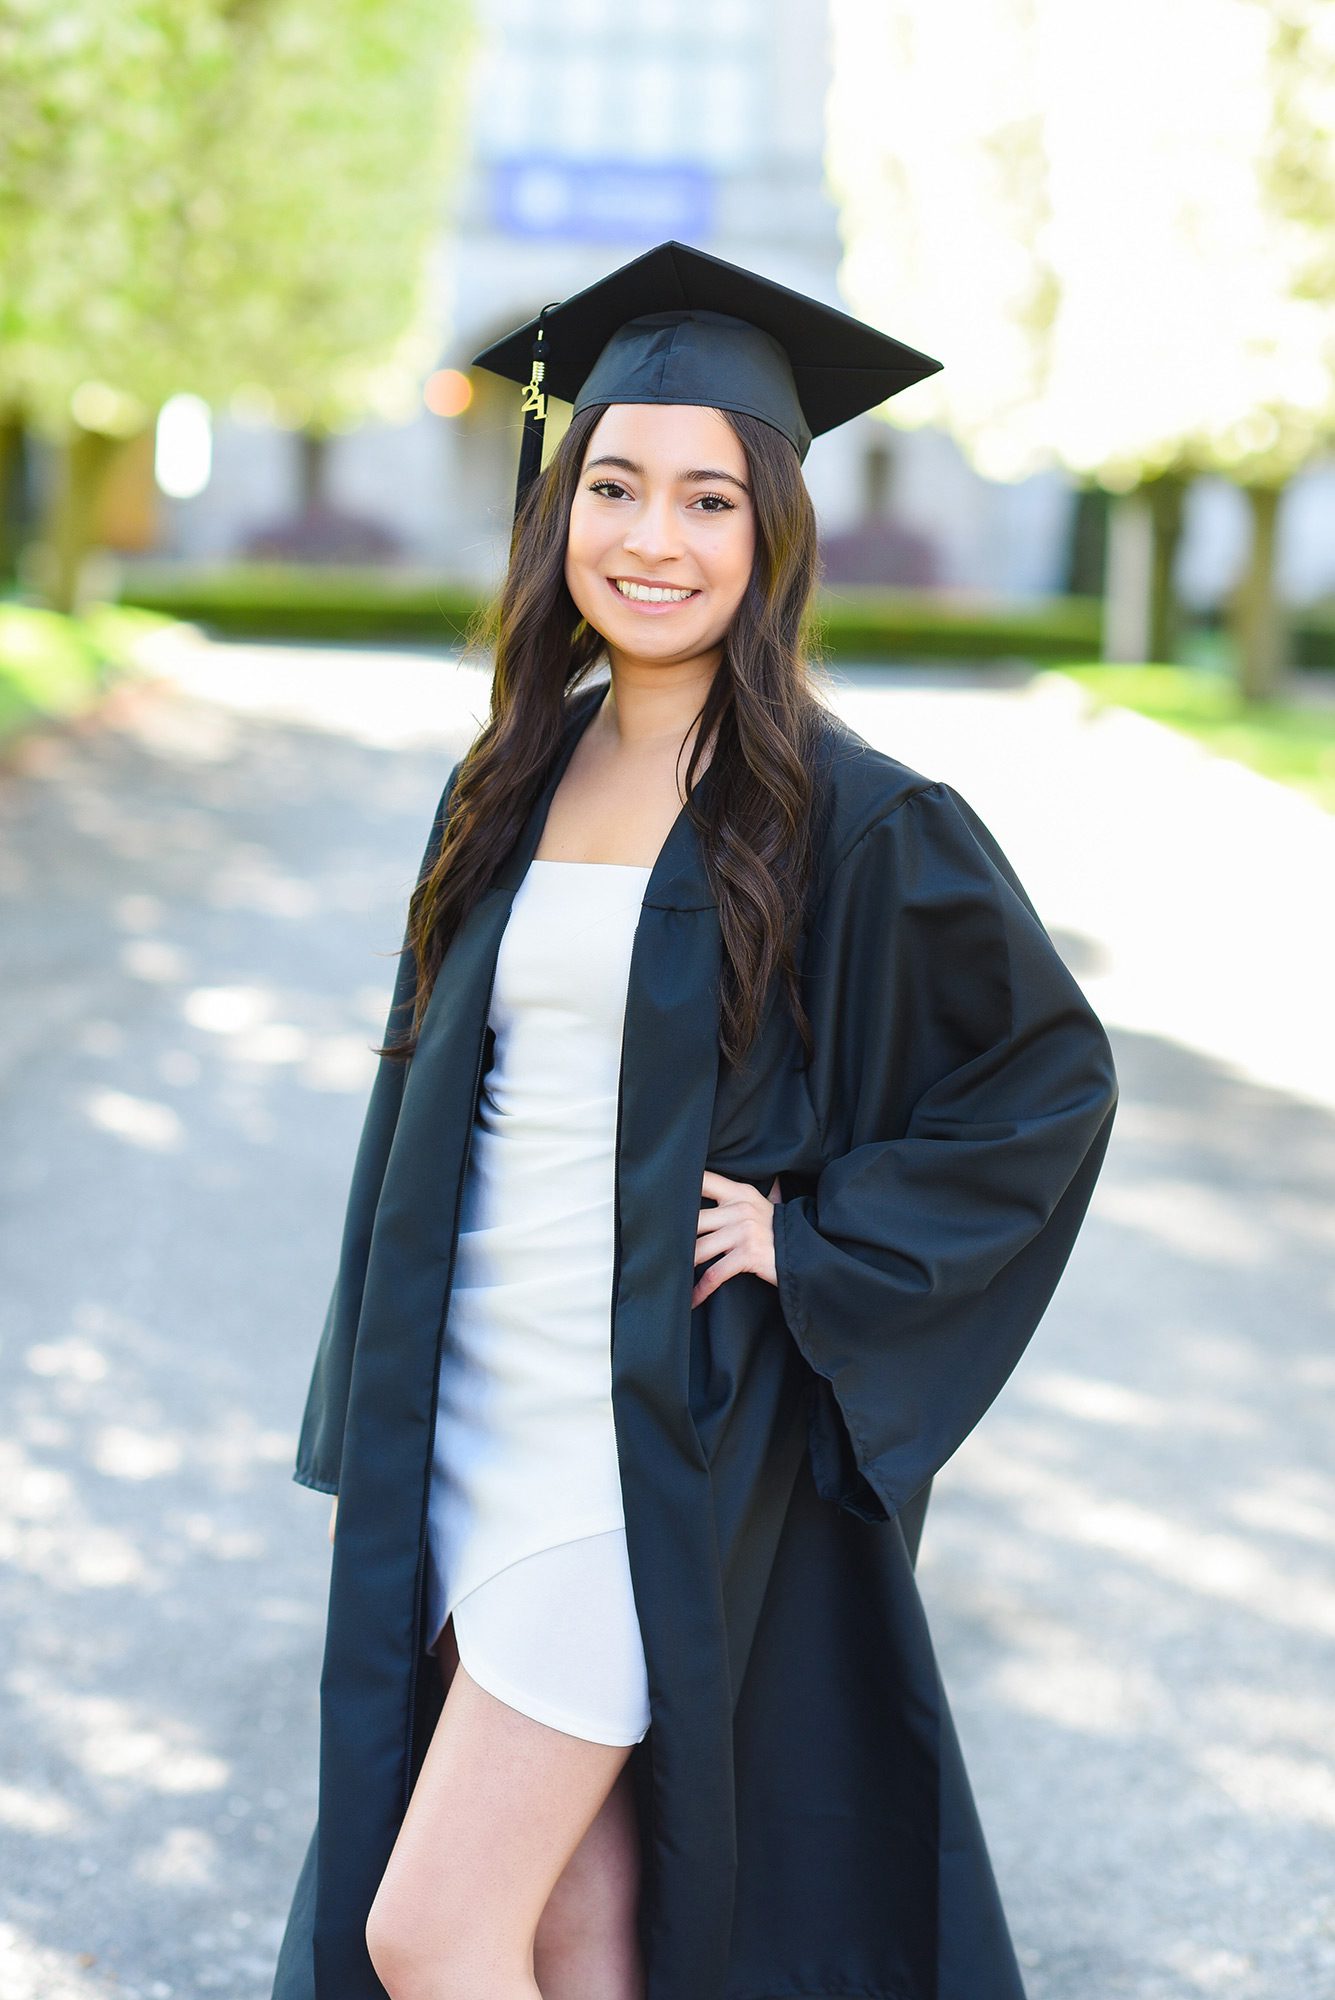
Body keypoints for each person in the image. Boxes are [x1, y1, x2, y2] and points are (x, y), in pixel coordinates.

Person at [271, 240, 1118, 2000]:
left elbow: (1043, 1081)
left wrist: (822, 1241)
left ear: (772, 533)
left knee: (427, 1930)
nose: (652, 537)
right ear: (559, 508)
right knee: (580, 1927)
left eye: (709, 499)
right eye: (614, 485)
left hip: (639, 1434)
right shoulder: (514, 773)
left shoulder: (854, 816)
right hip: (473, 1401)